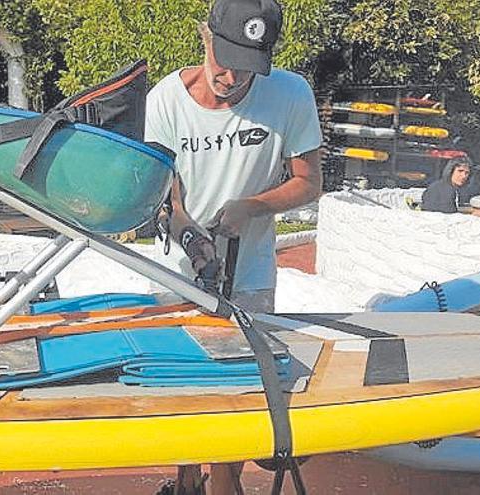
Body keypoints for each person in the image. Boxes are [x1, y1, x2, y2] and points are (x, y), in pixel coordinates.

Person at [144, 0, 322, 493]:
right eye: (225, 62)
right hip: (181, 273)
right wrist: (193, 240)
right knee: (183, 397)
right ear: (205, 36)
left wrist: (253, 207)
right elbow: (166, 201)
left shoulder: (290, 94)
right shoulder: (165, 101)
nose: (232, 78)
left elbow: (309, 183)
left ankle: (225, 485)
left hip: (251, 275)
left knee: (237, 398)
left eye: (248, 67)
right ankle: (185, 482)